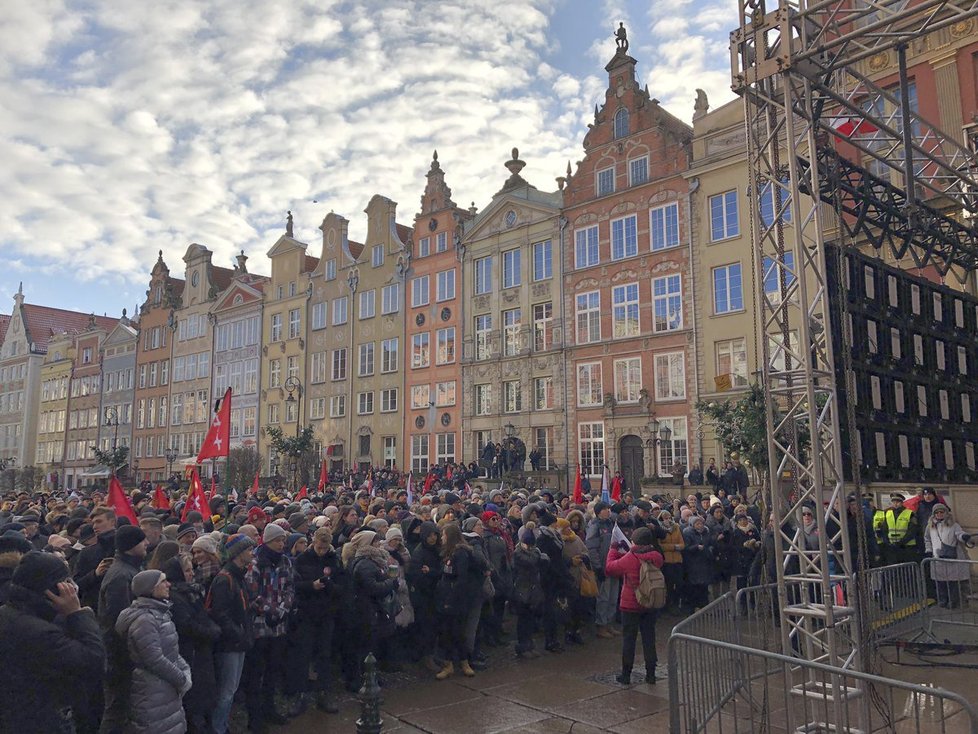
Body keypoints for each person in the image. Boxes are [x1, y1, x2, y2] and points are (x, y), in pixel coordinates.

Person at [0, 551, 106, 734]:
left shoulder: (10, 613)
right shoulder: (37, 630)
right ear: (52, 587)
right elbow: (93, 661)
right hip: (42, 718)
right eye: (66, 581)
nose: (72, 587)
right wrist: (78, 614)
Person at [115, 569, 192, 734]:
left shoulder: (160, 613)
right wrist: (181, 679)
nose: (168, 584)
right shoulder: (145, 620)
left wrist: (184, 669)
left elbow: (171, 650)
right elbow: (154, 659)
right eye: (163, 581)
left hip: (164, 689)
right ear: (150, 588)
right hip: (151, 691)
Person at [243, 522, 295, 730]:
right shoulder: (254, 563)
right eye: (278, 540)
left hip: (279, 625)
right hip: (260, 626)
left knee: (273, 670)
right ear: (268, 541)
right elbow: (251, 593)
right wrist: (270, 610)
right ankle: (254, 715)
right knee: (256, 673)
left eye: (283, 540)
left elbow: (290, 588)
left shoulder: (286, 562)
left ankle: (270, 708)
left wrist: (283, 609)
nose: (282, 544)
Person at [99, 524, 149, 734]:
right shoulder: (121, 576)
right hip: (120, 656)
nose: (147, 543)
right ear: (131, 546)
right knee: (117, 709)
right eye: (142, 540)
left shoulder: (129, 569)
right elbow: (120, 620)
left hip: (126, 654)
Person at [162, 554, 220, 734]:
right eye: (187, 571)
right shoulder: (175, 597)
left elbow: (201, 616)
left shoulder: (190, 592)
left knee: (204, 696)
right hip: (190, 652)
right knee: (193, 700)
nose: (191, 574)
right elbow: (187, 625)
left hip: (200, 650)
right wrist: (212, 632)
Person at [206, 534, 255, 734]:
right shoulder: (224, 579)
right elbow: (220, 614)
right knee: (226, 691)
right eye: (249, 549)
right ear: (239, 553)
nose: (252, 553)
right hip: (229, 645)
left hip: (238, 642)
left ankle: (223, 725)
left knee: (231, 689)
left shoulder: (237, 576)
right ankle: (218, 728)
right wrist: (239, 634)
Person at [290, 526, 341, 713]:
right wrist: (311, 586)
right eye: (319, 547)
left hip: (326, 613)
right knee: (303, 655)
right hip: (306, 613)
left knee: (324, 655)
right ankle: (300, 695)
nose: (321, 551)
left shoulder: (334, 560)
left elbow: (342, 587)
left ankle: (324, 693)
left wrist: (330, 586)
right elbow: (294, 584)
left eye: (325, 548)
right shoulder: (302, 559)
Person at [605, 527, 664, 684]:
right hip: (650, 602)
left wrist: (612, 550)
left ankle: (626, 674)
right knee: (649, 638)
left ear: (635, 542)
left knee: (629, 640)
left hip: (631, 604)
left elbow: (610, 568)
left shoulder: (630, 558)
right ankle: (651, 674)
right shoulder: (656, 556)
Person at [923, 505, 972, 608]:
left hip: (951, 557)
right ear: (934, 514)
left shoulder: (953, 525)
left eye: (941, 512)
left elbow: (959, 534)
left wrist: (964, 537)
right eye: (937, 513)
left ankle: (953, 601)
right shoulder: (930, 526)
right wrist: (928, 550)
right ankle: (942, 599)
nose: (939, 514)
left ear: (946, 513)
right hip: (937, 558)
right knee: (940, 582)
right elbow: (927, 539)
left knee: (952, 582)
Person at [586, 501, 618, 638]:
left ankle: (610, 623)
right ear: (599, 511)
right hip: (603, 567)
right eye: (605, 509)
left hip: (614, 566)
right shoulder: (595, 526)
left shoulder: (611, 524)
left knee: (613, 597)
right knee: (603, 598)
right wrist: (597, 567)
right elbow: (592, 548)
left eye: (609, 509)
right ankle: (601, 625)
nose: (608, 511)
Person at [876, 493, 921, 565]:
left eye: (897, 502)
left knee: (907, 569)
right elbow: (885, 529)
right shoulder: (888, 513)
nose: (895, 504)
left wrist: (901, 543)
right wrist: (887, 542)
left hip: (907, 547)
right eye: (894, 502)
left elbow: (912, 531)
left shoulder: (910, 514)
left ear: (902, 502)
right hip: (892, 547)